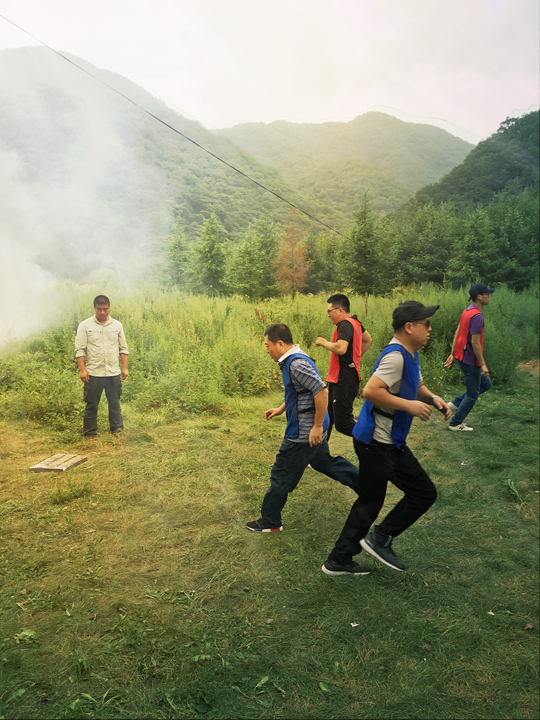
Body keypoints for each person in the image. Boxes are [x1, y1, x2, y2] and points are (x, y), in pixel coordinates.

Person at [321, 301, 451, 576]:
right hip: (378, 443)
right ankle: (378, 539)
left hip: (379, 441)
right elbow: (371, 391)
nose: (430, 329)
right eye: (426, 324)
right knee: (421, 493)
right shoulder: (396, 356)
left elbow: (416, 384)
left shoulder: (409, 354)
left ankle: (339, 559)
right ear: (409, 327)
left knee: (372, 499)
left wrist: (432, 398)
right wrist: (409, 405)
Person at [246, 323, 361, 533]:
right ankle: (367, 486)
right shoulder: (295, 358)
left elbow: (321, 392)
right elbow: (300, 391)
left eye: (268, 345)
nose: (267, 350)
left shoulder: (296, 364)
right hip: (312, 432)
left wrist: (316, 426)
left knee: (281, 474)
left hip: (303, 435)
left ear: (280, 344)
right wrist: (281, 409)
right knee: (325, 462)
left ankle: (270, 521)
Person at [315, 294, 372, 440]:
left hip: (343, 380)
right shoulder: (355, 323)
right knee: (328, 417)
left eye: (329, 311)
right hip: (343, 378)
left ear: (340, 310)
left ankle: (374, 440)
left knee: (343, 423)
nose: (328, 315)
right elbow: (367, 339)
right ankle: (320, 450)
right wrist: (355, 357)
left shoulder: (344, 324)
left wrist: (324, 342)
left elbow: (341, 348)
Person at [75, 295, 129, 437]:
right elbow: (80, 350)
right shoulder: (85, 325)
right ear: (94, 308)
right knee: (92, 404)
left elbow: (123, 348)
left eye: (105, 309)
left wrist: (124, 367)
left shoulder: (117, 325)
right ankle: (90, 432)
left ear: (109, 308)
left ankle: (117, 429)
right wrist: (82, 370)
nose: (102, 312)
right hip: (94, 372)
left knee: (114, 402)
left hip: (113, 372)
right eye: (99, 309)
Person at [444, 283, 494, 431]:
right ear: (480, 296)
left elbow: (458, 333)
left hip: (462, 356)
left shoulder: (467, 311)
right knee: (472, 394)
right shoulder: (477, 316)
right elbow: (475, 342)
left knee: (486, 384)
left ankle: (455, 404)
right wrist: (483, 364)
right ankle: (455, 423)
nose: (489, 296)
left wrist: (453, 353)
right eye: (487, 294)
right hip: (470, 360)